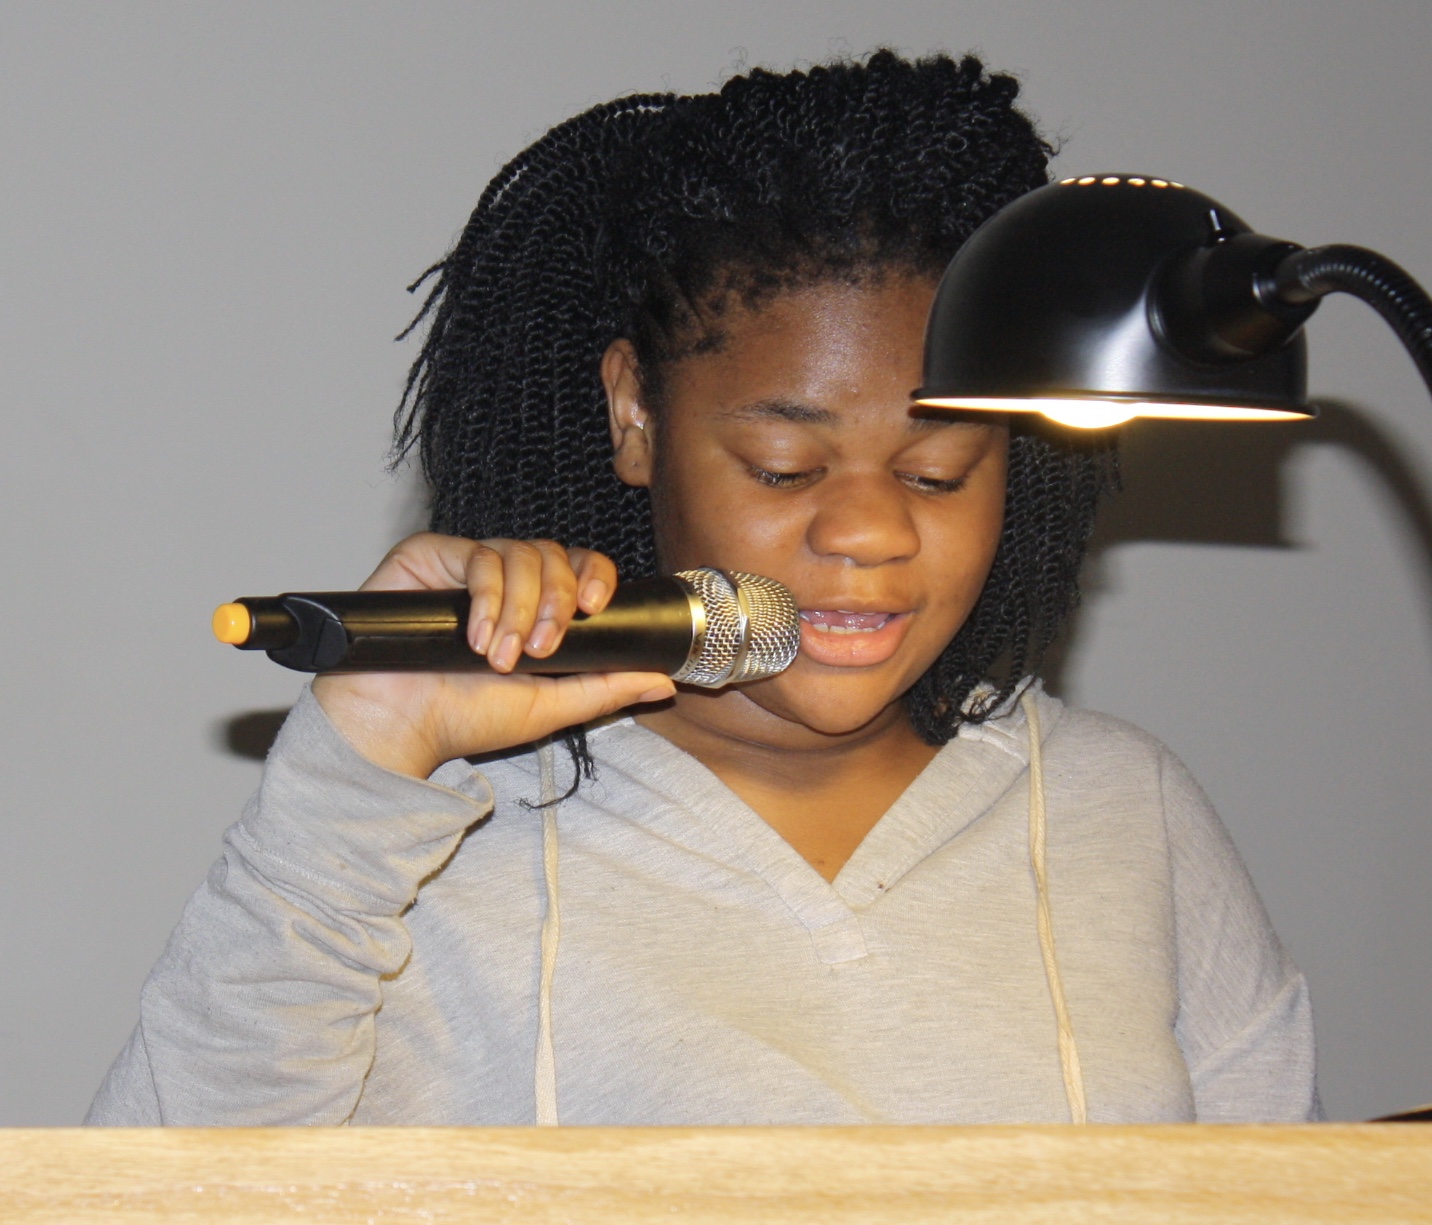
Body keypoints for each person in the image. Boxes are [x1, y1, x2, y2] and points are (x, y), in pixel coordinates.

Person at [88, 52, 1317, 1127]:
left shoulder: (1120, 814)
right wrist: (362, 762)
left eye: (940, 475)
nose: (872, 533)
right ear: (635, 413)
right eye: (785, 466)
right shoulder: (441, 837)